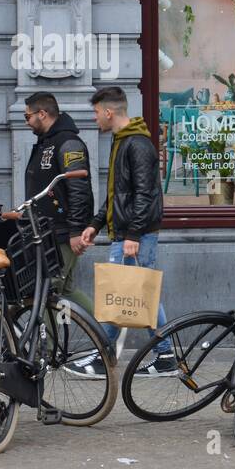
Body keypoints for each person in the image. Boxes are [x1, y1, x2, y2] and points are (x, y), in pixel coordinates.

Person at [80, 86, 173, 375]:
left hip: (136, 235)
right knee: (134, 294)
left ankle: (103, 356)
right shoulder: (122, 141)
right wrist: (96, 224)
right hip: (128, 232)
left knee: (122, 294)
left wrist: (133, 234)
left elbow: (145, 193)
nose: (95, 119)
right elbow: (118, 192)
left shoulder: (137, 144)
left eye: (96, 113)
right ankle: (164, 355)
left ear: (109, 112)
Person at [23, 91, 95, 314]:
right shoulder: (46, 142)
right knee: (66, 290)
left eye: (28, 117)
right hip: (48, 231)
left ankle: (47, 348)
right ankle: (105, 334)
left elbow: (79, 189)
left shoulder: (68, 143)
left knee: (47, 291)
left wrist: (75, 231)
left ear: (42, 114)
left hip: (62, 232)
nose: (26, 122)